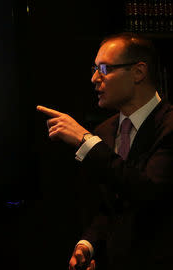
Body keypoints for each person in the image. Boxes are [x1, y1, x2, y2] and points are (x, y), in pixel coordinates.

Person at [37, 33, 173, 270]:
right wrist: (88, 245)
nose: (94, 78)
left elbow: (148, 192)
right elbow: (110, 207)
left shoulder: (169, 125)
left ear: (139, 72)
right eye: (94, 68)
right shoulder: (105, 131)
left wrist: (86, 142)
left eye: (104, 68)